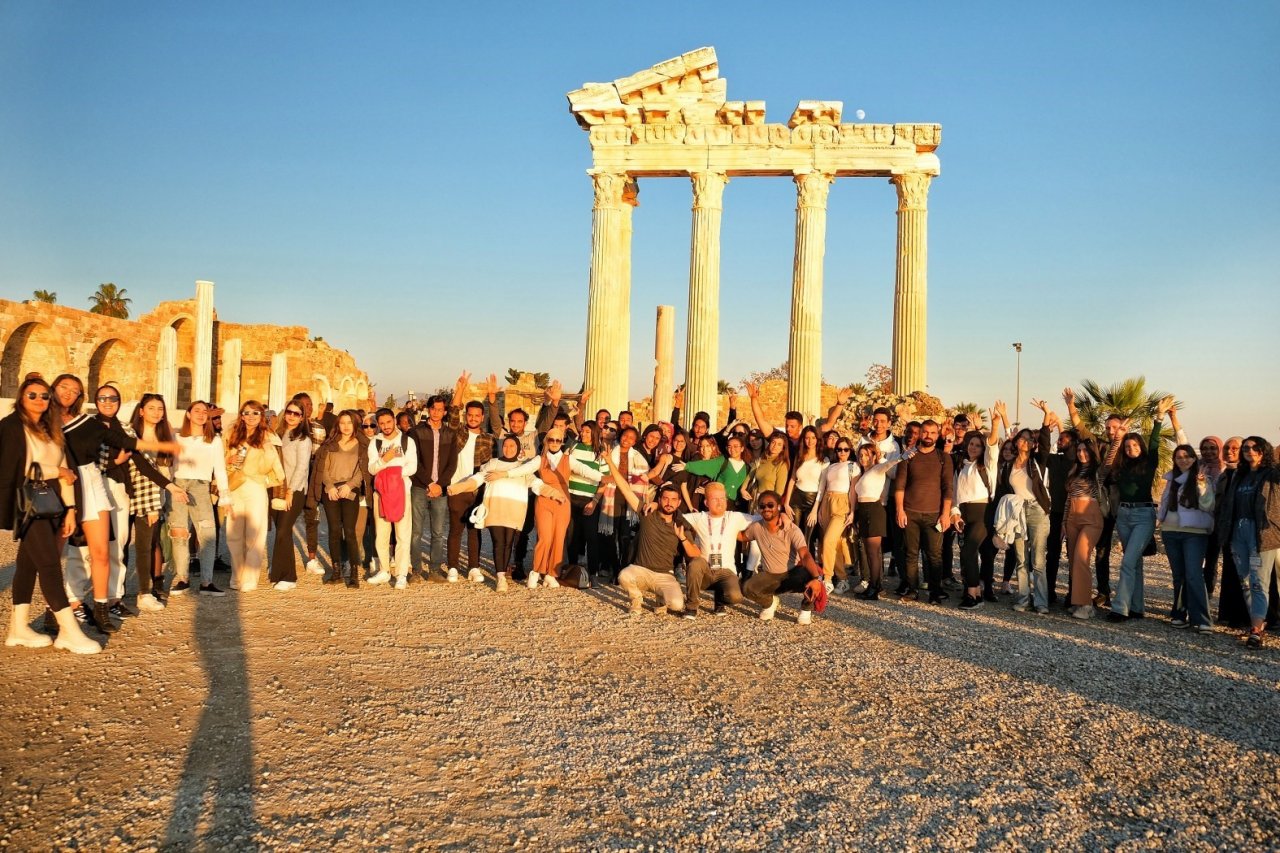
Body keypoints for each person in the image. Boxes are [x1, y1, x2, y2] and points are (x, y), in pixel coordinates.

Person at [51, 374, 179, 633]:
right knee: (81, 549)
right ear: (94, 401)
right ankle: (74, 600)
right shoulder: (85, 423)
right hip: (87, 484)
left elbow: (140, 460)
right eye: (103, 398)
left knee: (116, 547)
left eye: (114, 398)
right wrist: (114, 463)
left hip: (117, 489)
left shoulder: (124, 428)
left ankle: (112, 598)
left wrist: (168, 486)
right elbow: (78, 459)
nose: (108, 402)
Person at [2, 377, 100, 654]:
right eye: (32, 394)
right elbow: (16, 468)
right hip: (25, 503)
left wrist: (71, 509)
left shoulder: (50, 428)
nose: (39, 400)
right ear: (21, 396)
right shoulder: (11, 427)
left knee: (27, 565)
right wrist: (56, 473)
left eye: (44, 396)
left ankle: (18, 629)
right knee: (48, 564)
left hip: (51, 503)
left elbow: (66, 467)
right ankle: (69, 630)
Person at [1106, 396, 1174, 622]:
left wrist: (1159, 417)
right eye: (1128, 445)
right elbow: (1112, 453)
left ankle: (1120, 608)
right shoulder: (1121, 465)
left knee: (1127, 561)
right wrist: (1119, 436)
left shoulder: (1149, 462)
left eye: (1135, 444)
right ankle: (1137, 607)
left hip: (1144, 515)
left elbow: (1154, 442)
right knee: (1134, 562)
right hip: (1123, 515)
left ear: (1140, 447)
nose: (1131, 448)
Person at [448, 435, 544, 592]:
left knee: (508, 542)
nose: (508, 449)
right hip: (495, 509)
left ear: (518, 448)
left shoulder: (522, 467)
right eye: (505, 445)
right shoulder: (493, 463)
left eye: (512, 446)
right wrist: (460, 487)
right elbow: (478, 478)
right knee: (499, 542)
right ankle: (500, 577)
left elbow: (536, 483)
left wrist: (553, 493)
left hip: (514, 510)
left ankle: (503, 571)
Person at [992, 401, 1054, 613]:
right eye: (1022, 438)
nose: (1025, 441)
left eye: (1030, 439)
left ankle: (1041, 601)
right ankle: (1023, 598)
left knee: (1037, 559)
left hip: (1036, 510)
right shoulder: (1009, 464)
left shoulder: (1037, 461)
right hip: (1017, 512)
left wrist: (1046, 416)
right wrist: (1004, 416)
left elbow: (1045, 443)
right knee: (1020, 558)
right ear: (1017, 442)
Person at [126, 393, 187, 609]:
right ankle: (120, 589)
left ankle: (151, 586)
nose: (156, 412)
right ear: (141, 410)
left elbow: (165, 468)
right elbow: (139, 466)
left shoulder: (164, 435)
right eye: (151, 408)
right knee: (123, 543)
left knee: (150, 542)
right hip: (128, 492)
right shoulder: (130, 432)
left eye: (160, 408)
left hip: (154, 492)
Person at [607, 473, 697, 617]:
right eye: (666, 498)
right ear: (659, 500)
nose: (669, 503)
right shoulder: (647, 514)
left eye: (673, 499)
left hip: (665, 575)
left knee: (676, 605)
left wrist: (683, 538)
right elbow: (626, 489)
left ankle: (660, 600)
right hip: (641, 569)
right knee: (624, 576)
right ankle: (636, 600)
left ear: (679, 503)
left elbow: (695, 554)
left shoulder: (682, 525)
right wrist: (609, 461)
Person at [1220, 437, 1280, 648]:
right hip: (1238, 532)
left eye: (1255, 447)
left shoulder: (1272, 474)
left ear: (1264, 451)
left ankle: (1256, 629)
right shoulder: (1240, 475)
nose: (1249, 451)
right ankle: (1256, 621)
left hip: (1261, 533)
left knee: (1258, 581)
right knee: (1244, 580)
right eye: (1246, 447)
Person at [169, 400, 229, 596]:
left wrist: (225, 497)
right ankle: (182, 578)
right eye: (197, 410)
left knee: (207, 535)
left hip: (201, 486)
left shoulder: (214, 440)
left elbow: (219, 469)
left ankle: (206, 582)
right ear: (188, 414)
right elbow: (168, 465)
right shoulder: (176, 437)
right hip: (178, 485)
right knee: (179, 534)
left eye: (205, 411)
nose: (201, 414)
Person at [225, 401, 285, 592]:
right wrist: (228, 461)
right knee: (233, 534)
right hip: (234, 486)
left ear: (261, 416)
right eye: (247, 412)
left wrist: (264, 481)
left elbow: (278, 470)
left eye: (256, 413)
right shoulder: (231, 434)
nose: (251, 416)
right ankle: (237, 575)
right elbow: (220, 461)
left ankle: (250, 577)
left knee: (254, 534)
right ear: (241, 415)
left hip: (255, 487)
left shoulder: (268, 438)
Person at [446, 376, 501, 583]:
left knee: (474, 530)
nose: (473, 418)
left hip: (477, 490)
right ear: (466, 416)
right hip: (457, 487)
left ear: (482, 416)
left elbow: (493, 464)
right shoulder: (458, 433)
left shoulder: (488, 438)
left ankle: (473, 567)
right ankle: (452, 566)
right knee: (455, 529)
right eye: (470, 415)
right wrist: (460, 389)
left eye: (477, 415)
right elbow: (452, 415)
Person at [893, 419, 954, 604]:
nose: (928, 436)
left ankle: (935, 592)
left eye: (933, 432)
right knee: (911, 554)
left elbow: (948, 488)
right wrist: (899, 510)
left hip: (934, 515)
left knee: (934, 555)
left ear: (938, 435)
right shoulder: (908, 456)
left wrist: (945, 514)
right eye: (925, 432)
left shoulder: (944, 458)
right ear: (920, 434)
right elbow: (900, 486)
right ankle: (912, 590)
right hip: (910, 513)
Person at [742, 491, 826, 625]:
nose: (766, 509)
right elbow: (741, 537)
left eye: (770, 505)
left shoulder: (791, 529)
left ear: (779, 507)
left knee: (813, 576)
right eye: (762, 506)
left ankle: (806, 609)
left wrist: (817, 578)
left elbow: (805, 554)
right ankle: (769, 603)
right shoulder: (756, 527)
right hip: (770, 575)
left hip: (792, 573)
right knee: (747, 588)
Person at [1159, 444, 1216, 632]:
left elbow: (1208, 505)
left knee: (1193, 575)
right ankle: (1179, 613)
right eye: (1179, 457)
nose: (1183, 459)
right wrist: (1159, 520)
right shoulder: (1171, 479)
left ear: (1194, 458)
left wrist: (1201, 485)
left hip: (1194, 532)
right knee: (1178, 576)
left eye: (1187, 456)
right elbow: (1165, 502)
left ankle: (1201, 619)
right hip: (1170, 531)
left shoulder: (1202, 478)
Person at [309, 409, 369, 588]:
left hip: (350, 490)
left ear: (355, 424)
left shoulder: (361, 445)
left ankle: (354, 573)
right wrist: (329, 487)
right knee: (334, 531)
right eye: (342, 423)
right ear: (338, 425)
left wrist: (350, 485)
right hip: (332, 491)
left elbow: (362, 470)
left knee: (349, 532)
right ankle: (336, 572)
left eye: (349, 423)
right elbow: (323, 468)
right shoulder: (329, 445)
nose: (346, 427)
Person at [680, 482, 752, 618]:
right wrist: (654, 505)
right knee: (695, 564)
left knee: (735, 597)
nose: (720, 502)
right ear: (706, 502)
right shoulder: (699, 517)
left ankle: (720, 601)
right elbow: (674, 517)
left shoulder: (735, 517)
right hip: (705, 569)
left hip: (726, 571)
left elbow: (763, 519)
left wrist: (783, 516)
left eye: (722, 498)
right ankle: (691, 607)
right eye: (715, 499)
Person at [949, 422, 1000, 611]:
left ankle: (973, 593)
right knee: (965, 554)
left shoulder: (987, 466)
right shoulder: (961, 466)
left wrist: (995, 424)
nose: (973, 447)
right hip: (964, 514)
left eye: (978, 445)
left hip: (982, 514)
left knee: (969, 551)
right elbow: (955, 494)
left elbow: (993, 449)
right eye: (972, 444)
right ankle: (974, 591)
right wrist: (955, 514)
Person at [852, 442, 910, 600]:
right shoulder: (863, 473)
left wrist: (903, 456)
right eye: (861, 455)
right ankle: (876, 586)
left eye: (867, 455)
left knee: (873, 553)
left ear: (874, 456)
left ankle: (874, 587)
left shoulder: (877, 469)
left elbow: (890, 464)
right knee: (872, 552)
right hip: (864, 511)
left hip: (874, 510)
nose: (863, 458)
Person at [409, 395, 457, 580]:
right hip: (420, 487)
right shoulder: (416, 432)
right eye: (433, 408)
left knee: (438, 532)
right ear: (428, 409)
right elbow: (414, 462)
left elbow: (452, 464)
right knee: (416, 532)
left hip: (440, 490)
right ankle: (416, 570)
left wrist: (440, 485)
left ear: (445, 412)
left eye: (440, 409)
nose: (436, 412)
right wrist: (429, 483)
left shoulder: (450, 434)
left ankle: (435, 570)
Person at [267, 401, 313, 591]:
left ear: (302, 417)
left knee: (284, 531)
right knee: (280, 531)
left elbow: (302, 468)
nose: (292, 416)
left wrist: (290, 491)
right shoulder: (281, 434)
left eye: (296, 413)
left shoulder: (303, 439)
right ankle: (278, 571)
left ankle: (289, 576)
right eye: (289, 412)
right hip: (277, 488)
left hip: (294, 491)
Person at [1061, 439, 1106, 620]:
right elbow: (1068, 498)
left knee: (1081, 558)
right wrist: (1064, 522)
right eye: (1079, 450)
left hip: (1091, 518)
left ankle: (1087, 605)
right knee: (1073, 561)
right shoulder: (1074, 470)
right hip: (1072, 517)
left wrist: (1119, 437)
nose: (1081, 454)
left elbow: (1110, 459)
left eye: (1085, 450)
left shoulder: (1098, 471)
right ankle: (1078, 601)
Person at [809, 437, 859, 593]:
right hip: (826, 502)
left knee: (829, 540)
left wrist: (852, 511)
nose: (842, 452)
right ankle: (843, 579)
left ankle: (828, 578)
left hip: (842, 502)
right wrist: (817, 508)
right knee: (831, 543)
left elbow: (853, 490)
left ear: (850, 450)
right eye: (839, 449)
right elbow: (822, 488)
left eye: (845, 449)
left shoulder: (853, 466)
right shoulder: (830, 467)